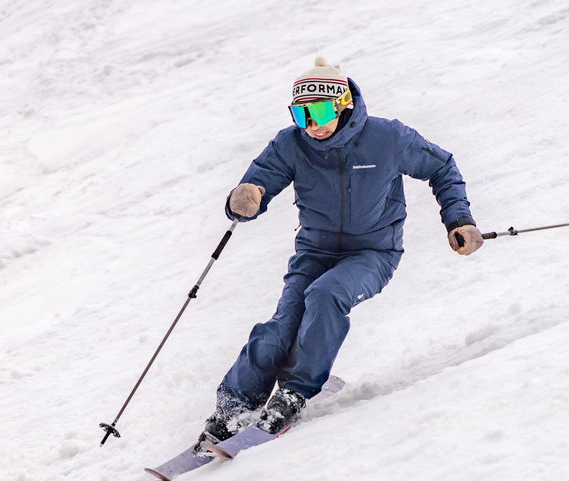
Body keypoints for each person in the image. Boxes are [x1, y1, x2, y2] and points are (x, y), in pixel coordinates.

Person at [200, 56, 484, 444]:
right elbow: (257, 185)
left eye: (318, 112)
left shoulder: (388, 138)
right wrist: (245, 199)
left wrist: (459, 220)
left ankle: (294, 395)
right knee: (278, 331)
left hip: (373, 253)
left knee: (327, 294)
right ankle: (232, 409)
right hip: (313, 253)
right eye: (301, 116)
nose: (312, 125)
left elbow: (443, 168)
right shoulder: (291, 144)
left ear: (342, 104)